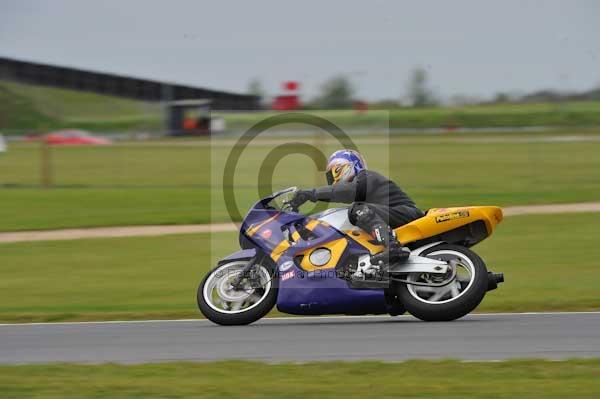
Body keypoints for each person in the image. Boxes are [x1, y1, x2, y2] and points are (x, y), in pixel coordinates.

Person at [290, 149, 424, 266]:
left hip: (406, 213)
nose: (332, 181)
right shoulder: (363, 186)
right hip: (398, 215)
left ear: (342, 167)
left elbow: (348, 191)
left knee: (357, 209)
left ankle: (392, 246)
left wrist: (311, 194)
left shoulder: (366, 176)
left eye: (333, 173)